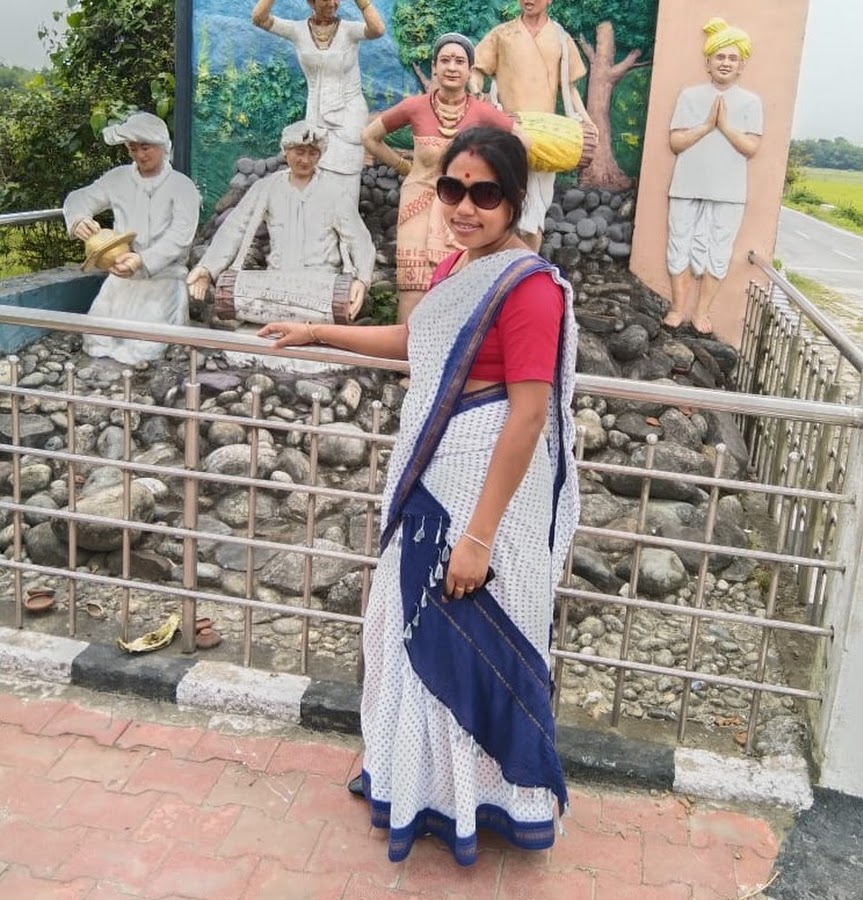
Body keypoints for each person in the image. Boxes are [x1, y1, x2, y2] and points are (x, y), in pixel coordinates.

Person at [260, 126, 579, 866]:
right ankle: (413, 783)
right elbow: (416, 342)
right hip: (434, 470)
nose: (465, 207)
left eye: (484, 193)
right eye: (453, 189)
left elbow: (528, 416)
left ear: (514, 199)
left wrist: (479, 537)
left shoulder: (528, 289)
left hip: (481, 487)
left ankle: (479, 802)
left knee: (469, 637)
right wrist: (317, 332)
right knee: (401, 627)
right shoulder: (457, 266)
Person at [362, 33, 522, 322]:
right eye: (445, 60)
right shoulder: (415, 106)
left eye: (459, 61)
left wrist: (494, 181)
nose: (451, 67)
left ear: (469, 70)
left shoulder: (483, 112)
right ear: (434, 67)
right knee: (412, 285)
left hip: (462, 208)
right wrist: (403, 166)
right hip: (417, 204)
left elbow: (523, 142)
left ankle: (451, 348)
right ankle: (405, 350)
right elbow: (369, 137)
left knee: (459, 284)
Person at [186, 121, 375, 322]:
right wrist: (207, 269)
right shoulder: (267, 188)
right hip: (277, 292)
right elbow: (235, 228)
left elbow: (358, 239)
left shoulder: (334, 193)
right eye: (299, 152)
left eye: (312, 153)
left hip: (320, 291)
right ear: (286, 152)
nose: (305, 160)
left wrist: (362, 280)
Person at [63, 112, 201, 365]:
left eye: (145, 147)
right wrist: (78, 219)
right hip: (120, 278)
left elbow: (180, 237)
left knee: (144, 349)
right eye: (133, 148)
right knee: (96, 340)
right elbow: (79, 198)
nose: (140, 155)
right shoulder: (117, 179)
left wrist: (142, 260)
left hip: (163, 278)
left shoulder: (183, 187)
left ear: (162, 145)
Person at [663, 17, 763, 334]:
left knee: (718, 251)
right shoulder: (690, 96)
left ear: (741, 65)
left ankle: (701, 312)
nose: (725, 63)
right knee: (679, 244)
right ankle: (677, 308)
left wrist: (725, 126)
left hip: (729, 191)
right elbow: (676, 141)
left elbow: (751, 147)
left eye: (732, 58)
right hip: (686, 185)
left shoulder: (751, 102)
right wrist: (707, 125)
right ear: (708, 61)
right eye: (720, 56)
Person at [471, 0, 591, 251]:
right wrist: (478, 93)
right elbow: (477, 69)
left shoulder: (561, 38)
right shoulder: (502, 34)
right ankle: (498, 264)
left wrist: (587, 121)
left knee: (535, 214)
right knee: (502, 205)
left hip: (545, 139)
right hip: (507, 133)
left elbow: (569, 87)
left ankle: (527, 265)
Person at [251, 0, 385, 202]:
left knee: (347, 175)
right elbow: (259, 19)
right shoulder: (298, 31)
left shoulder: (349, 31)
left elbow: (377, 30)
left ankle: (346, 219)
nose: (333, 3)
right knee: (316, 173)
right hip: (316, 115)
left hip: (349, 114)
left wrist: (362, 2)